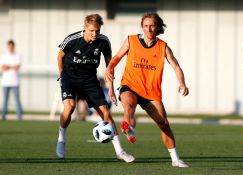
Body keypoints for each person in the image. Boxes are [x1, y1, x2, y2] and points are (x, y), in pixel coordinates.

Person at [105, 12, 189, 168]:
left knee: (163, 124)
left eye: (152, 26)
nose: (148, 29)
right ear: (142, 26)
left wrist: (182, 83)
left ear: (158, 27)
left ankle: (175, 159)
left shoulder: (163, 47)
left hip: (151, 92)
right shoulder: (131, 40)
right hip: (130, 85)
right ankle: (129, 128)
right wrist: (110, 68)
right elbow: (116, 57)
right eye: (145, 26)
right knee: (129, 106)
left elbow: (176, 66)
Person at [56, 14, 134, 163]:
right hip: (69, 78)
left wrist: (110, 88)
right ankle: (61, 139)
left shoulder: (103, 42)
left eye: (97, 31)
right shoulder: (72, 40)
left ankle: (120, 152)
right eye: (91, 30)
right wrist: (61, 75)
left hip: (89, 80)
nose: (95, 34)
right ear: (85, 28)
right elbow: (60, 56)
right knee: (70, 106)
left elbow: (110, 66)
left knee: (105, 113)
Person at [0, 40, 23, 120]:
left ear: (14, 46)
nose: (10, 48)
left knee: (17, 99)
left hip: (15, 82)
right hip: (5, 82)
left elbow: (17, 67)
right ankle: (3, 116)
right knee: (5, 100)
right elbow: (2, 67)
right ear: (7, 46)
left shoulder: (17, 55)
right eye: (9, 46)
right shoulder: (3, 56)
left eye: (12, 46)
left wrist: (8, 67)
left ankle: (19, 116)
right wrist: (11, 67)